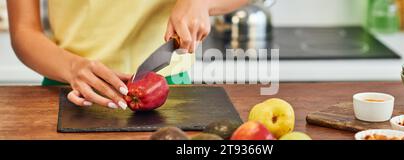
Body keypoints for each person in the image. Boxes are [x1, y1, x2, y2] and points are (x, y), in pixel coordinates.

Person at [7, 0, 248, 110]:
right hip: (69, 86)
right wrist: (71, 67)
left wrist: (202, 2)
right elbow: (23, 31)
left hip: (168, 87)